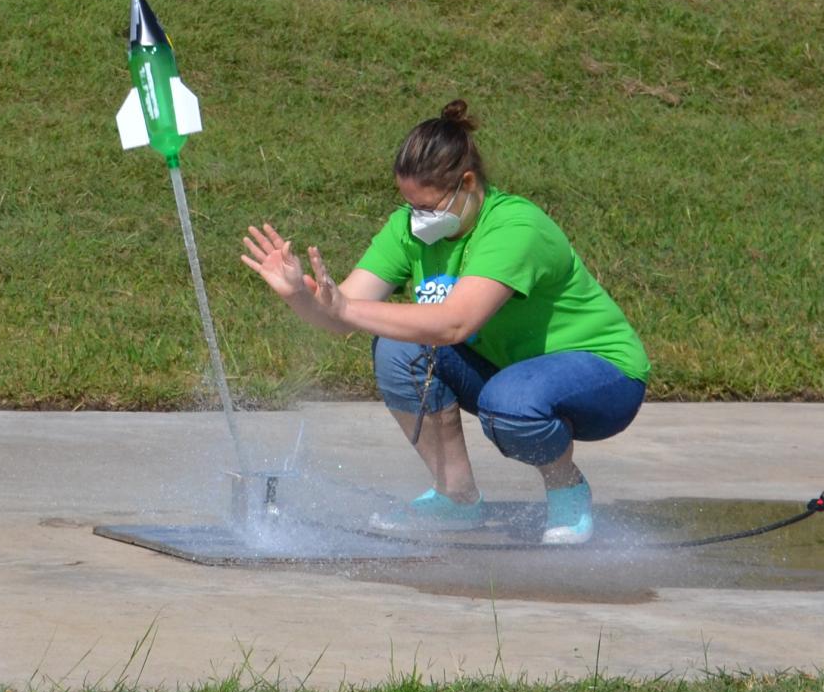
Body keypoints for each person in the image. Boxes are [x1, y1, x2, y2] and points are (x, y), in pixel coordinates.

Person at [241, 99, 649, 545]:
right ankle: (455, 498)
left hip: (604, 375)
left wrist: (343, 309)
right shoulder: (408, 228)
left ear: (467, 184)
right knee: (399, 348)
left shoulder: (515, 227)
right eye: (409, 205)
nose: (417, 218)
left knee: (510, 404)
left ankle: (566, 486)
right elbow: (344, 314)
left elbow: (455, 324)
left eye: (428, 206)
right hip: (507, 371)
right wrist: (300, 295)